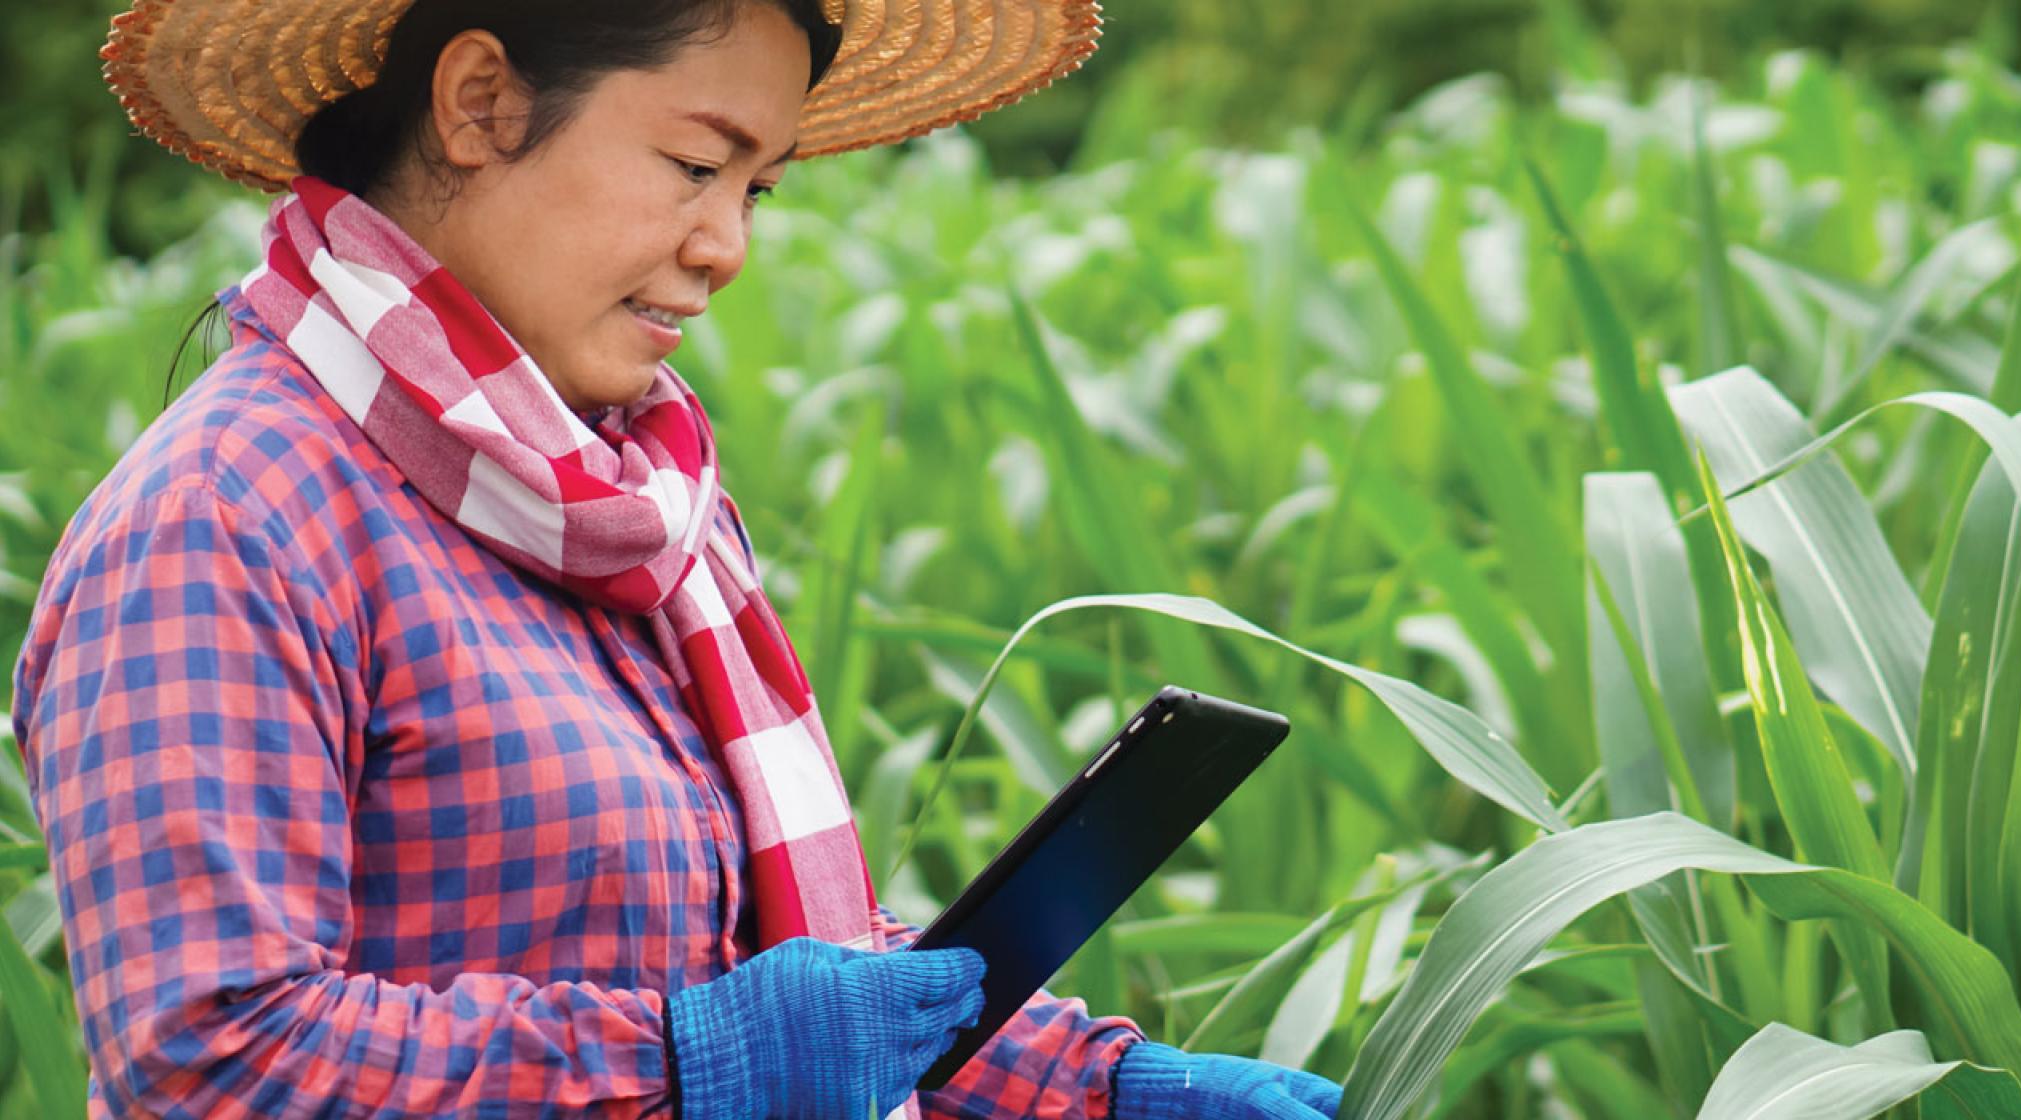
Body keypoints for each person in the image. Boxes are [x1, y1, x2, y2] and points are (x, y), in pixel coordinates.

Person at [9, 1, 1347, 1117]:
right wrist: (691, 1062)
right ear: (479, 105)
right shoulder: (230, 518)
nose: (729, 247)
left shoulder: (637, 512)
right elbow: (208, 1061)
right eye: (696, 165)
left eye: (757, 188)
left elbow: (771, 975)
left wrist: (1092, 1088)